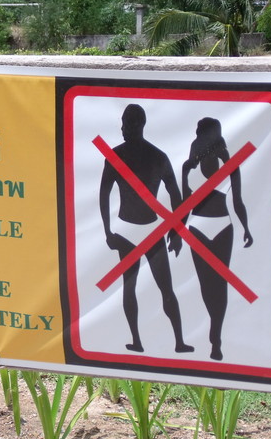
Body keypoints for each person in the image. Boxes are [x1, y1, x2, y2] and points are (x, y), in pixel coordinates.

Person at [99, 104, 193, 354]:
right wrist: (107, 232)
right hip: (128, 230)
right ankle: (138, 341)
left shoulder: (157, 157)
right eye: (122, 124)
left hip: (150, 230)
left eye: (126, 124)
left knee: (164, 287)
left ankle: (179, 341)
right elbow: (103, 193)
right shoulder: (119, 156)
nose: (122, 129)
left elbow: (176, 197)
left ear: (139, 124)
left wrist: (177, 232)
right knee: (132, 287)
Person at [181, 117, 253, 361]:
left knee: (220, 282)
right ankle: (214, 326)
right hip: (197, 228)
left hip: (223, 226)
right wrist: (176, 232)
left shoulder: (229, 163)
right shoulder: (188, 167)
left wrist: (246, 228)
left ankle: (216, 336)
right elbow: (184, 204)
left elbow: (238, 201)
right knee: (205, 283)